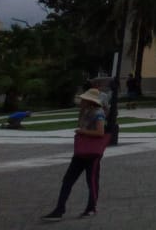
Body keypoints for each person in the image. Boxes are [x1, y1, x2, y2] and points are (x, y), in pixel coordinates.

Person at [42, 88, 108, 219]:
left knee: (92, 181)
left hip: (92, 153)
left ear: (90, 101)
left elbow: (100, 132)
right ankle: (59, 209)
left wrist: (82, 132)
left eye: (83, 99)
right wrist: (81, 118)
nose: (81, 101)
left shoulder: (98, 113)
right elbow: (82, 125)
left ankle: (91, 207)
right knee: (68, 180)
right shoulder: (85, 111)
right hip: (80, 152)